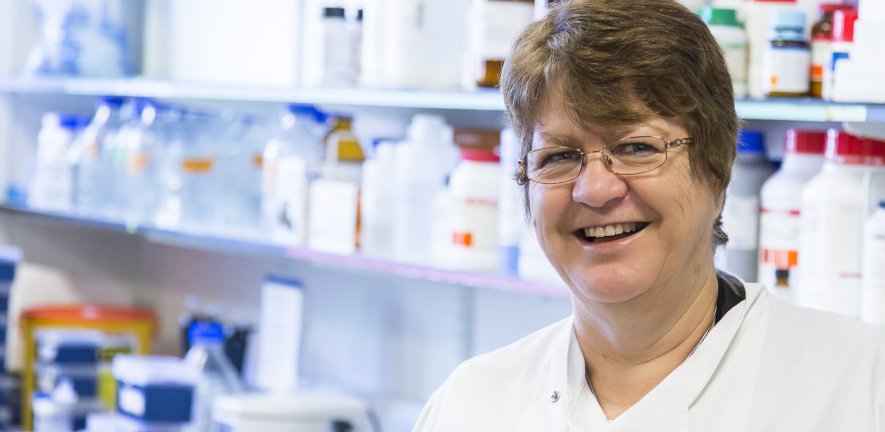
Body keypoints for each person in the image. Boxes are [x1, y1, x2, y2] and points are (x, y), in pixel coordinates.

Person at [413, 0, 885, 430]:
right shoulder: (470, 405)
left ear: (716, 168)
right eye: (558, 156)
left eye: (638, 147)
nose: (594, 189)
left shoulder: (858, 386)